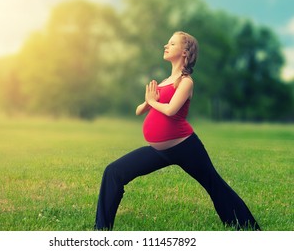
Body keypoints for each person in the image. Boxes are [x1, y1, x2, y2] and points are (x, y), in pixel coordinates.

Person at [94, 31, 260, 231]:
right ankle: (101, 230)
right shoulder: (164, 81)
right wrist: (148, 101)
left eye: (172, 44)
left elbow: (171, 110)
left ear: (184, 52)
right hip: (159, 151)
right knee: (114, 171)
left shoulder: (186, 82)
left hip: (185, 146)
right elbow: (139, 110)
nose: (166, 46)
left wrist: (153, 102)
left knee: (213, 183)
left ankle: (247, 227)